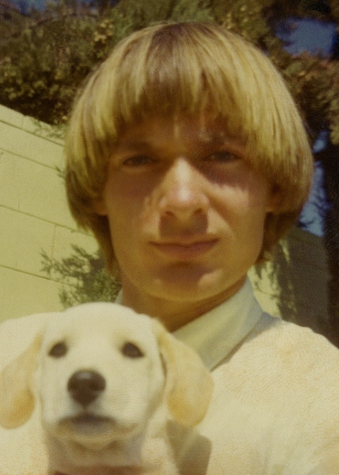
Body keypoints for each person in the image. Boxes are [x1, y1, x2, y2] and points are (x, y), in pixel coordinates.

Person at [64, 21, 339, 474]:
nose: (183, 201)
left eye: (222, 156)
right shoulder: (11, 382)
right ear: (98, 190)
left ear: (273, 184)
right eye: (140, 160)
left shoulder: (319, 405)